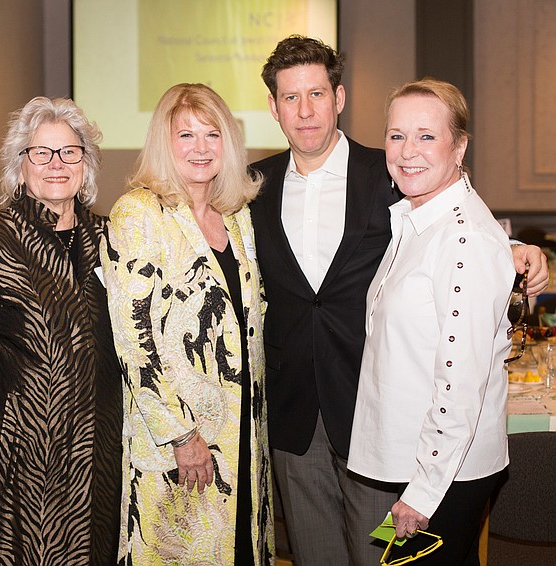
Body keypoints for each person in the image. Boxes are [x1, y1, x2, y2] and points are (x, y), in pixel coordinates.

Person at [248, 35, 548, 566]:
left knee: (385, 561)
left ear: (339, 98)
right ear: (272, 107)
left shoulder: (389, 170)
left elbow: (456, 223)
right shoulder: (253, 187)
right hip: (295, 417)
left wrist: (513, 247)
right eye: (290, 97)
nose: (305, 109)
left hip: (380, 418)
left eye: (316, 93)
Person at [102, 83, 275, 565]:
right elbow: (134, 341)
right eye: (186, 135)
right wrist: (181, 435)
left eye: (212, 134)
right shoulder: (137, 213)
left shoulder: (236, 215)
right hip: (180, 443)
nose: (201, 148)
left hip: (242, 433)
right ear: (164, 142)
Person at [347, 78, 513, 565]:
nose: (407, 151)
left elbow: (460, 384)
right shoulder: (418, 222)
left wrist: (422, 492)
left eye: (426, 136)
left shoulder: (464, 240)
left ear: (459, 147)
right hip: (420, 463)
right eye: (396, 135)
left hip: (445, 475)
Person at [0, 96, 123, 565]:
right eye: (41, 152)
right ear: (20, 163)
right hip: (19, 456)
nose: (56, 164)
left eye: (70, 151)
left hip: (98, 452)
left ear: (87, 164)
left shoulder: (112, 238)